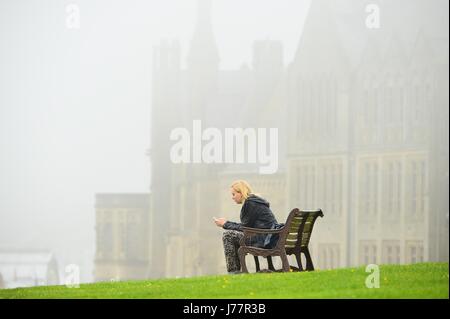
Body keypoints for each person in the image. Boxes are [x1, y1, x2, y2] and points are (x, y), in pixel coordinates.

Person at [213, 180, 280, 274]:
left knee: (228, 235)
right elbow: (247, 227)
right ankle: (235, 270)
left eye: (233, 194)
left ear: (241, 192)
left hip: (263, 239)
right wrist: (226, 223)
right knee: (232, 235)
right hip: (267, 237)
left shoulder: (250, 203)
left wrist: (225, 224)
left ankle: (233, 271)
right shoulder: (254, 201)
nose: (232, 197)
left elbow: (245, 228)